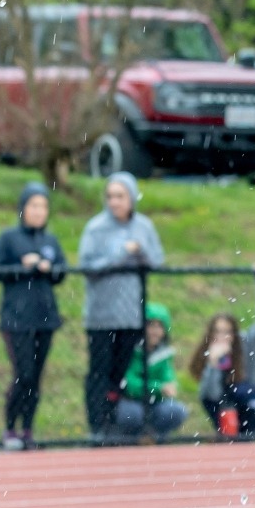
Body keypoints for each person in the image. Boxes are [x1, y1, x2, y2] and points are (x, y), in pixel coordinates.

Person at [78, 172, 164, 441]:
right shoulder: (96, 228)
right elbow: (87, 265)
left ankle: (113, 420)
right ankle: (97, 425)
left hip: (130, 314)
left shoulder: (144, 227)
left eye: (120, 196)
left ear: (131, 198)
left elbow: (157, 260)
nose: (115, 202)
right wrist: (120, 255)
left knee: (119, 372)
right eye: (110, 196)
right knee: (99, 371)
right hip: (102, 315)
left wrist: (140, 252)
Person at [0, 182, 66, 450]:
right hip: (17, 319)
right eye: (33, 205)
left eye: (43, 206)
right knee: (23, 373)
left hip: (45, 318)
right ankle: (10, 428)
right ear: (23, 208)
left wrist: (49, 268)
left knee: (36, 377)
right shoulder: (9, 238)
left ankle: (28, 430)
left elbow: (62, 272)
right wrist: (22, 267)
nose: (38, 211)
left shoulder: (50, 240)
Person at [190, 261, 255, 437]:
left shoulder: (246, 343)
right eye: (218, 332)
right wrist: (213, 364)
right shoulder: (208, 354)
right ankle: (229, 436)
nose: (223, 337)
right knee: (223, 398)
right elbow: (210, 395)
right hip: (225, 408)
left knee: (245, 392)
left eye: (227, 332)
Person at [114, 302, 188, 443]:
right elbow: (130, 383)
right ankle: (131, 442)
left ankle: (157, 440)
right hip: (132, 401)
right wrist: (158, 388)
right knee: (132, 415)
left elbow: (169, 378)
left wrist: (171, 387)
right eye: (150, 325)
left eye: (160, 326)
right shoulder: (131, 352)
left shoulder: (164, 354)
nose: (155, 331)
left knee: (176, 411)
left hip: (155, 403)